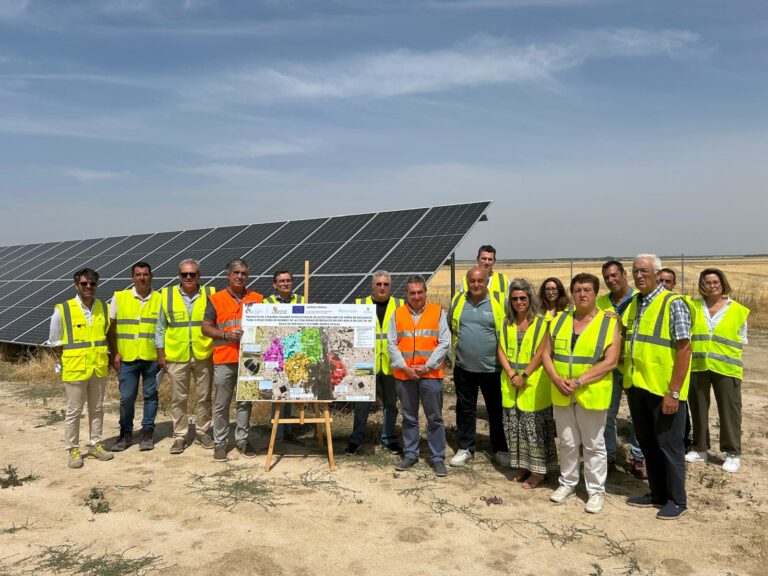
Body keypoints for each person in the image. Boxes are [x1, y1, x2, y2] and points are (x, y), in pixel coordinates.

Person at [543, 273, 620, 514]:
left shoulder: (609, 322)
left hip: (591, 392)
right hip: (562, 391)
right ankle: (567, 483)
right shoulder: (558, 321)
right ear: (572, 293)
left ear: (595, 293)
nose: (582, 294)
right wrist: (556, 379)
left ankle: (596, 491)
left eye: (587, 289)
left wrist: (578, 381)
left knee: (593, 445)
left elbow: (611, 361)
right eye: (577, 290)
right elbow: (546, 353)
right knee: (567, 442)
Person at [624, 254, 691, 520]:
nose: (639, 276)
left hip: (663, 390)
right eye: (635, 271)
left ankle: (677, 500)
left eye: (644, 271)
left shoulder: (673, 303)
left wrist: (674, 391)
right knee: (649, 444)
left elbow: (684, 349)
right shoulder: (636, 303)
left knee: (669, 446)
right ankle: (657, 493)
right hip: (638, 386)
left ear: (657, 272)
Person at [48, 268, 114, 468]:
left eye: (92, 283)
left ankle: (95, 444)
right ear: (76, 285)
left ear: (97, 285)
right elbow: (55, 341)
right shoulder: (63, 310)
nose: (88, 287)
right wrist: (67, 361)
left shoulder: (103, 307)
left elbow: (105, 336)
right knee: (74, 411)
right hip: (75, 368)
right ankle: (73, 449)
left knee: (97, 408)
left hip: (98, 367)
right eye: (84, 284)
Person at [686, 268, 749, 473]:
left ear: (722, 283)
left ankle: (732, 453)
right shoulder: (694, 307)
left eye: (715, 281)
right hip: (698, 366)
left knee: (729, 411)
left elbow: (742, 339)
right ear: (701, 285)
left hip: (726, 368)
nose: (712, 285)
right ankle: (700, 448)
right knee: (698, 408)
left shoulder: (738, 310)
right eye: (707, 282)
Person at [388, 274, 450, 476]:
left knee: (435, 418)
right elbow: (392, 344)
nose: (416, 296)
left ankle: (438, 457)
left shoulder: (438, 312)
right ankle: (411, 454)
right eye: (412, 293)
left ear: (425, 293)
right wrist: (405, 367)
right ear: (406, 294)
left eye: (420, 292)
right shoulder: (397, 314)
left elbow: (444, 342)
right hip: (405, 376)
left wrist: (427, 366)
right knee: (409, 417)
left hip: (430, 375)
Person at [202, 259, 264, 462]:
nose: (239, 276)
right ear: (228, 275)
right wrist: (225, 335)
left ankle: (242, 441)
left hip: (250, 358)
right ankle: (220, 443)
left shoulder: (257, 298)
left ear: (248, 276)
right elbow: (205, 327)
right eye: (236, 273)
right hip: (224, 357)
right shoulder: (216, 299)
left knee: (245, 402)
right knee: (222, 404)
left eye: (243, 273)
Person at [498, 278, 556, 489]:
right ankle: (522, 466)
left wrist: (524, 374)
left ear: (530, 299)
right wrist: (512, 374)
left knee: (534, 429)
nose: (519, 302)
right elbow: (501, 350)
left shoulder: (542, 322)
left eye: (523, 298)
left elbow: (542, 352)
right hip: (511, 383)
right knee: (514, 428)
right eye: (515, 298)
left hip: (534, 383)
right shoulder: (506, 322)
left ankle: (538, 472)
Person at [448, 266, 508, 467]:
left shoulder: (500, 302)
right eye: (472, 281)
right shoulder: (458, 301)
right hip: (463, 368)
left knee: (496, 410)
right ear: (467, 282)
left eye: (480, 281)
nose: (476, 285)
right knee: (465, 409)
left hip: (493, 369)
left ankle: (500, 449)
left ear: (486, 282)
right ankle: (465, 448)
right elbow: (452, 325)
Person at [155, 259, 215, 455]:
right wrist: (160, 354)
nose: (188, 277)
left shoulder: (210, 294)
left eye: (192, 274)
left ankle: (202, 431)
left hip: (203, 353)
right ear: (179, 275)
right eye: (184, 274)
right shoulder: (167, 295)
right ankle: (180, 436)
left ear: (199, 275)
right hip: (177, 355)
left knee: (204, 397)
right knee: (178, 398)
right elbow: (160, 328)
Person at [596, 260, 646, 479]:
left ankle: (638, 456)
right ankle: (608, 455)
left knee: (638, 415)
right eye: (607, 277)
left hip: (634, 366)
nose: (611, 280)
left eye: (615, 275)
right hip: (608, 366)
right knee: (607, 414)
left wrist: (621, 325)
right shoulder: (601, 302)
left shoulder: (640, 299)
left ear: (625, 274)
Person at [347, 270, 404, 455]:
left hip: (391, 363)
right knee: (362, 403)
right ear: (372, 285)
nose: (382, 287)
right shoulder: (359, 305)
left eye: (386, 284)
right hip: (365, 363)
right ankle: (356, 439)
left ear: (390, 286)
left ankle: (388, 439)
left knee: (390, 404)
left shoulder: (400, 305)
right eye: (378, 284)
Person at [107, 261, 161, 452]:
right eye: (138, 274)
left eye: (145, 274)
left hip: (151, 358)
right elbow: (110, 329)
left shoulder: (160, 299)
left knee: (150, 396)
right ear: (132, 277)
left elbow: (164, 329)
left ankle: (147, 433)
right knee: (126, 397)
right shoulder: (119, 297)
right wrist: (114, 353)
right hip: (127, 358)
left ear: (151, 276)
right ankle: (126, 433)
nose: (142, 278)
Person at [263, 269, 305, 445]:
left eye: (288, 280)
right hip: (276, 353)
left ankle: (287, 431)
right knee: (278, 394)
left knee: (291, 393)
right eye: (281, 281)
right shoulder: (267, 302)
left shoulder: (303, 300)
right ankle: (277, 435)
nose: (285, 284)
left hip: (295, 353)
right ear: (275, 284)